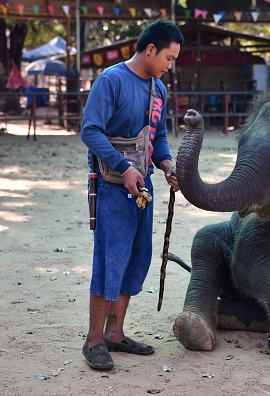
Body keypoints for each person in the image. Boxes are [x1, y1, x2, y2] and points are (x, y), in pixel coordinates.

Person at [79, 19, 184, 370]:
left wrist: (167, 165)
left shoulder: (159, 90)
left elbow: (158, 137)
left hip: (143, 186)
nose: (170, 66)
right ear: (150, 49)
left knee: (137, 257)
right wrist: (123, 169)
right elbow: (90, 131)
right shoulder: (111, 80)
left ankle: (115, 333)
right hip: (113, 186)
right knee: (111, 258)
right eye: (168, 58)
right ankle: (93, 340)